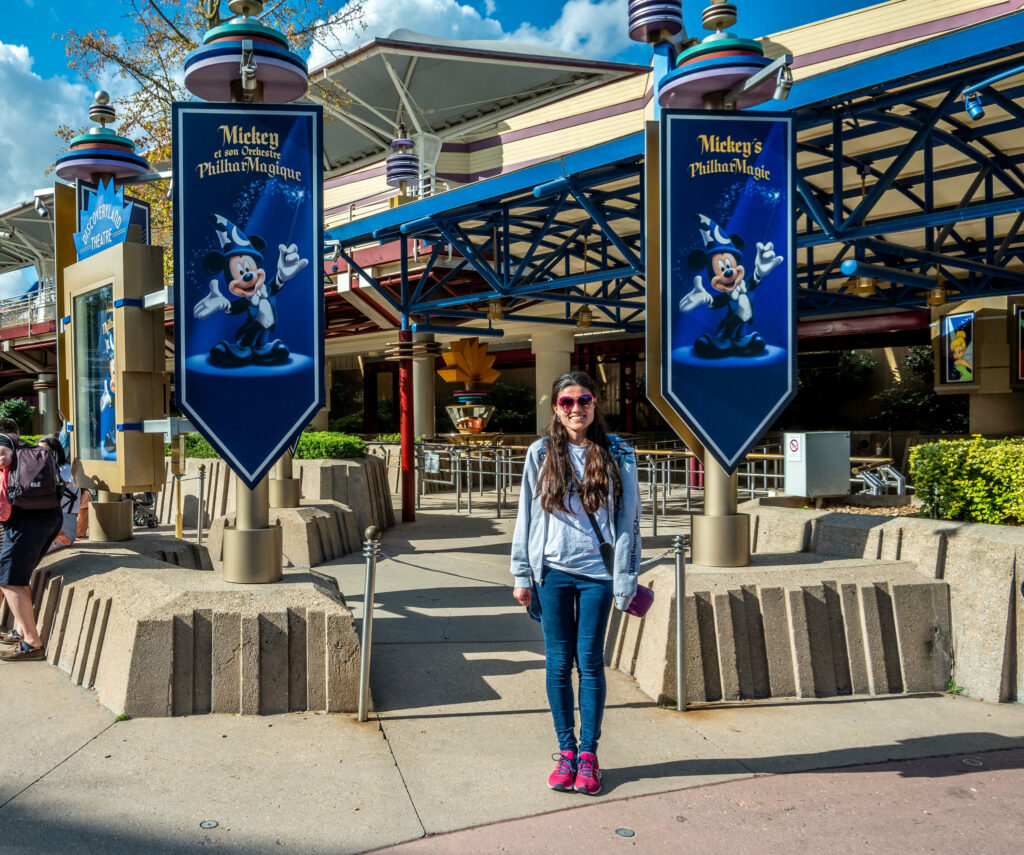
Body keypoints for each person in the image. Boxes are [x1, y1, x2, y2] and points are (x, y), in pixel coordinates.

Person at [510, 371, 641, 796]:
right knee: (557, 662)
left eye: (583, 399)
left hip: (597, 575)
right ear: (555, 408)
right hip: (552, 571)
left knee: (590, 663)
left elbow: (629, 521)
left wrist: (625, 578)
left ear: (596, 402)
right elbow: (526, 517)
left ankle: (589, 754)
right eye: (566, 402)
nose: (576, 408)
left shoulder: (618, 452)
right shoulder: (541, 452)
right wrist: (522, 572)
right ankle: (566, 751)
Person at [0, 426, 63, 661]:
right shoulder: (25, 445)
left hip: (27, 520)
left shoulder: (3, 441)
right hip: (46, 515)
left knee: (8, 580)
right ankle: (20, 632)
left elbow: (3, 457)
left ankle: (32, 643)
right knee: (17, 578)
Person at [36, 435, 89, 551]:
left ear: (56, 451)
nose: (41, 453)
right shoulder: (48, 469)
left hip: (64, 524)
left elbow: (48, 489)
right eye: (37, 450)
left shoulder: (64, 469)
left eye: (45, 450)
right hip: (52, 523)